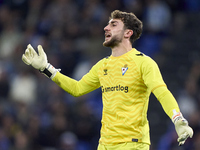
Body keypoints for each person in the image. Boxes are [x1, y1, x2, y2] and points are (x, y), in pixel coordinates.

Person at [22, 10, 193, 150]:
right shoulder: (102, 65)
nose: (106, 27)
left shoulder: (144, 63)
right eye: (107, 24)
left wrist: (178, 120)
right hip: (104, 144)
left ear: (128, 33)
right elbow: (77, 88)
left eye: (113, 24)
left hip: (132, 144)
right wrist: (46, 68)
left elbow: (162, 93)